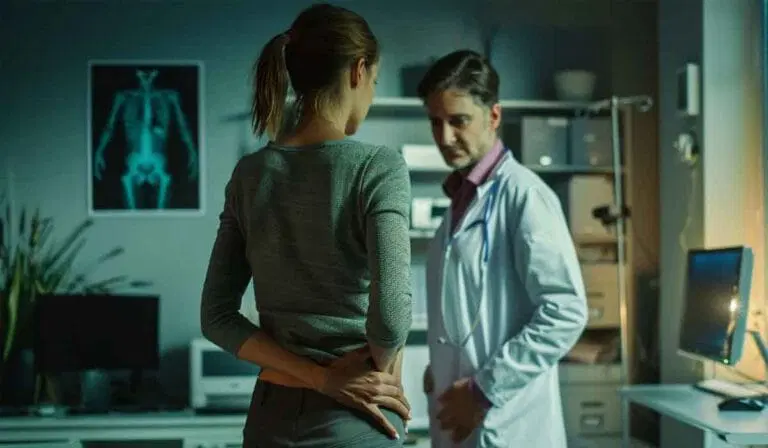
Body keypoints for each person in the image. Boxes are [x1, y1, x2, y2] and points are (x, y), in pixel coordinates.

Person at [200, 3, 413, 447]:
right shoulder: (378, 167)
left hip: (269, 418)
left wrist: (316, 378)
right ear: (358, 71)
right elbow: (391, 317)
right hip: (354, 418)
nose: (370, 96)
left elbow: (217, 317)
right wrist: (373, 372)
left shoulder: (249, 174)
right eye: (373, 82)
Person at [417, 50, 589, 448]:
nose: (444, 138)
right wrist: (441, 370)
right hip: (461, 416)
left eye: (458, 121)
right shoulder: (459, 202)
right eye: (435, 122)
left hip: (507, 423)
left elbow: (565, 311)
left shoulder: (525, 196)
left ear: (493, 116)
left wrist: (482, 390)